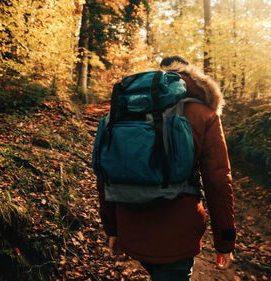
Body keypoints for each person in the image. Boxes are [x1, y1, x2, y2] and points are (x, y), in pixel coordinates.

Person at [96, 55, 235, 281]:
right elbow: (219, 181)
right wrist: (224, 241)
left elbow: (106, 174)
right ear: (190, 74)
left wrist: (112, 229)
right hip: (177, 237)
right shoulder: (204, 114)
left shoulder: (130, 109)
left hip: (132, 229)